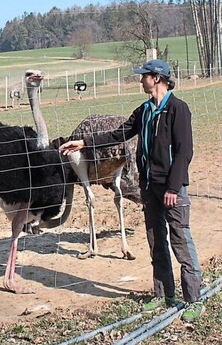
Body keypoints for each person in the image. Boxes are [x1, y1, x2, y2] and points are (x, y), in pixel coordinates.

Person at [59, 59, 205, 323]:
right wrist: (83, 142)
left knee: (181, 241)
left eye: (144, 76)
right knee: (156, 242)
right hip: (149, 188)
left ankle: (194, 299)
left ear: (157, 78)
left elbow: (185, 152)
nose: (141, 80)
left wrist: (173, 187)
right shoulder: (145, 110)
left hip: (171, 189)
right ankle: (163, 295)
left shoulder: (178, 109)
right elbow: (118, 134)